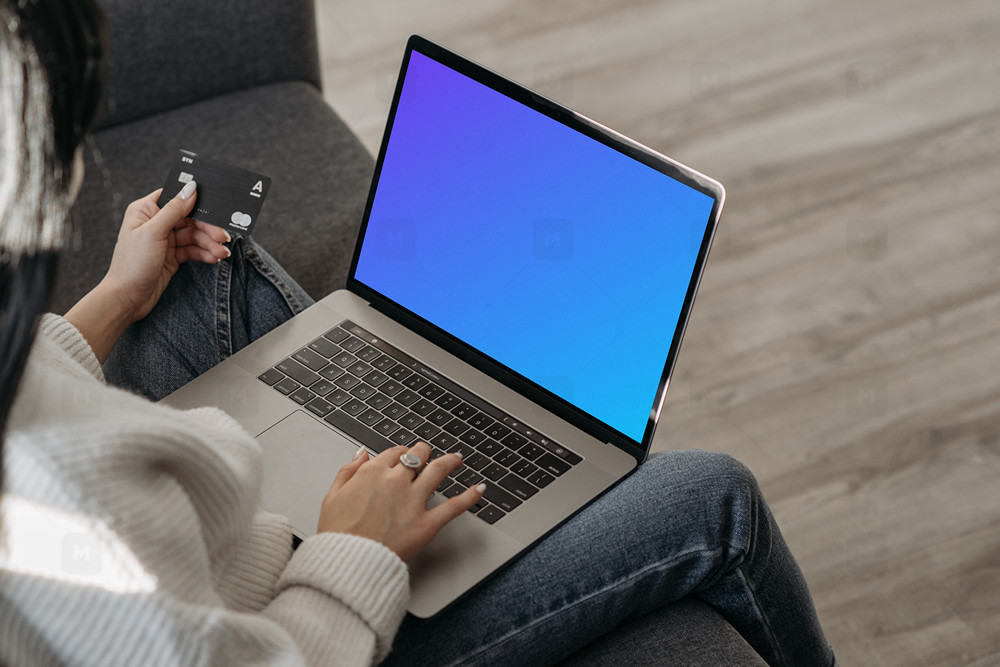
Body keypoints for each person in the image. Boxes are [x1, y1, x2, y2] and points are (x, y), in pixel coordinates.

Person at [0, 1, 837, 665]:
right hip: (305, 613)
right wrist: (352, 550)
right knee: (716, 494)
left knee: (201, 271)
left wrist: (110, 298)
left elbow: (24, 387)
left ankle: (385, 385)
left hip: (224, 539)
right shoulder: (56, 521)